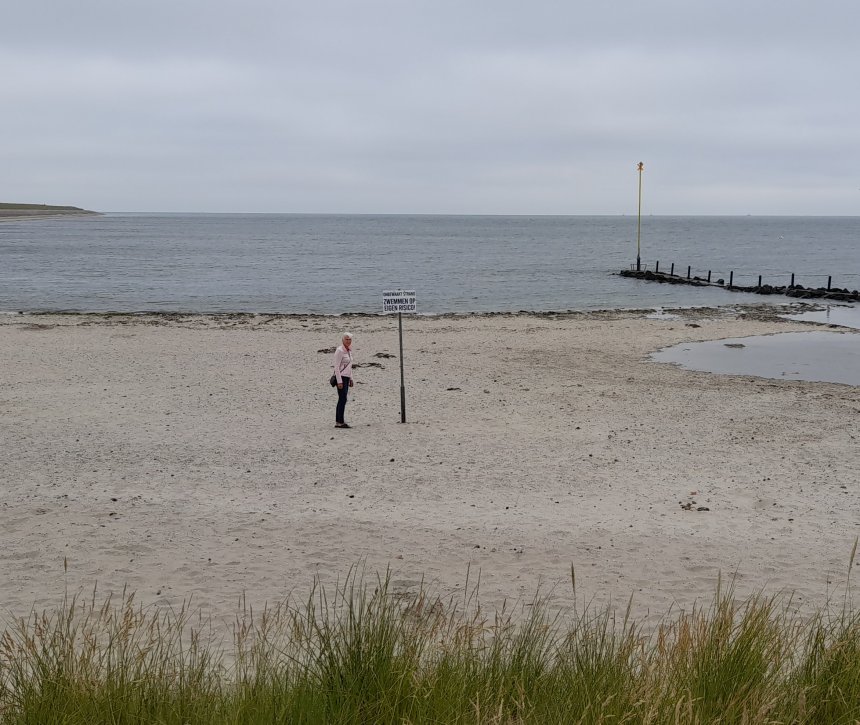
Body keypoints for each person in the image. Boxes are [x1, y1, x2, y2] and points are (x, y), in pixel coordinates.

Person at [332, 332, 354, 428]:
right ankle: (339, 422)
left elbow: (349, 366)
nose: (348, 341)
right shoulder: (340, 350)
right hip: (341, 377)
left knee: (343, 399)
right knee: (342, 399)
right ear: (342, 340)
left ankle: (340, 421)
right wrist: (339, 381)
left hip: (346, 377)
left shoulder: (348, 350)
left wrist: (351, 379)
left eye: (349, 339)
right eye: (346, 339)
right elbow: (336, 367)